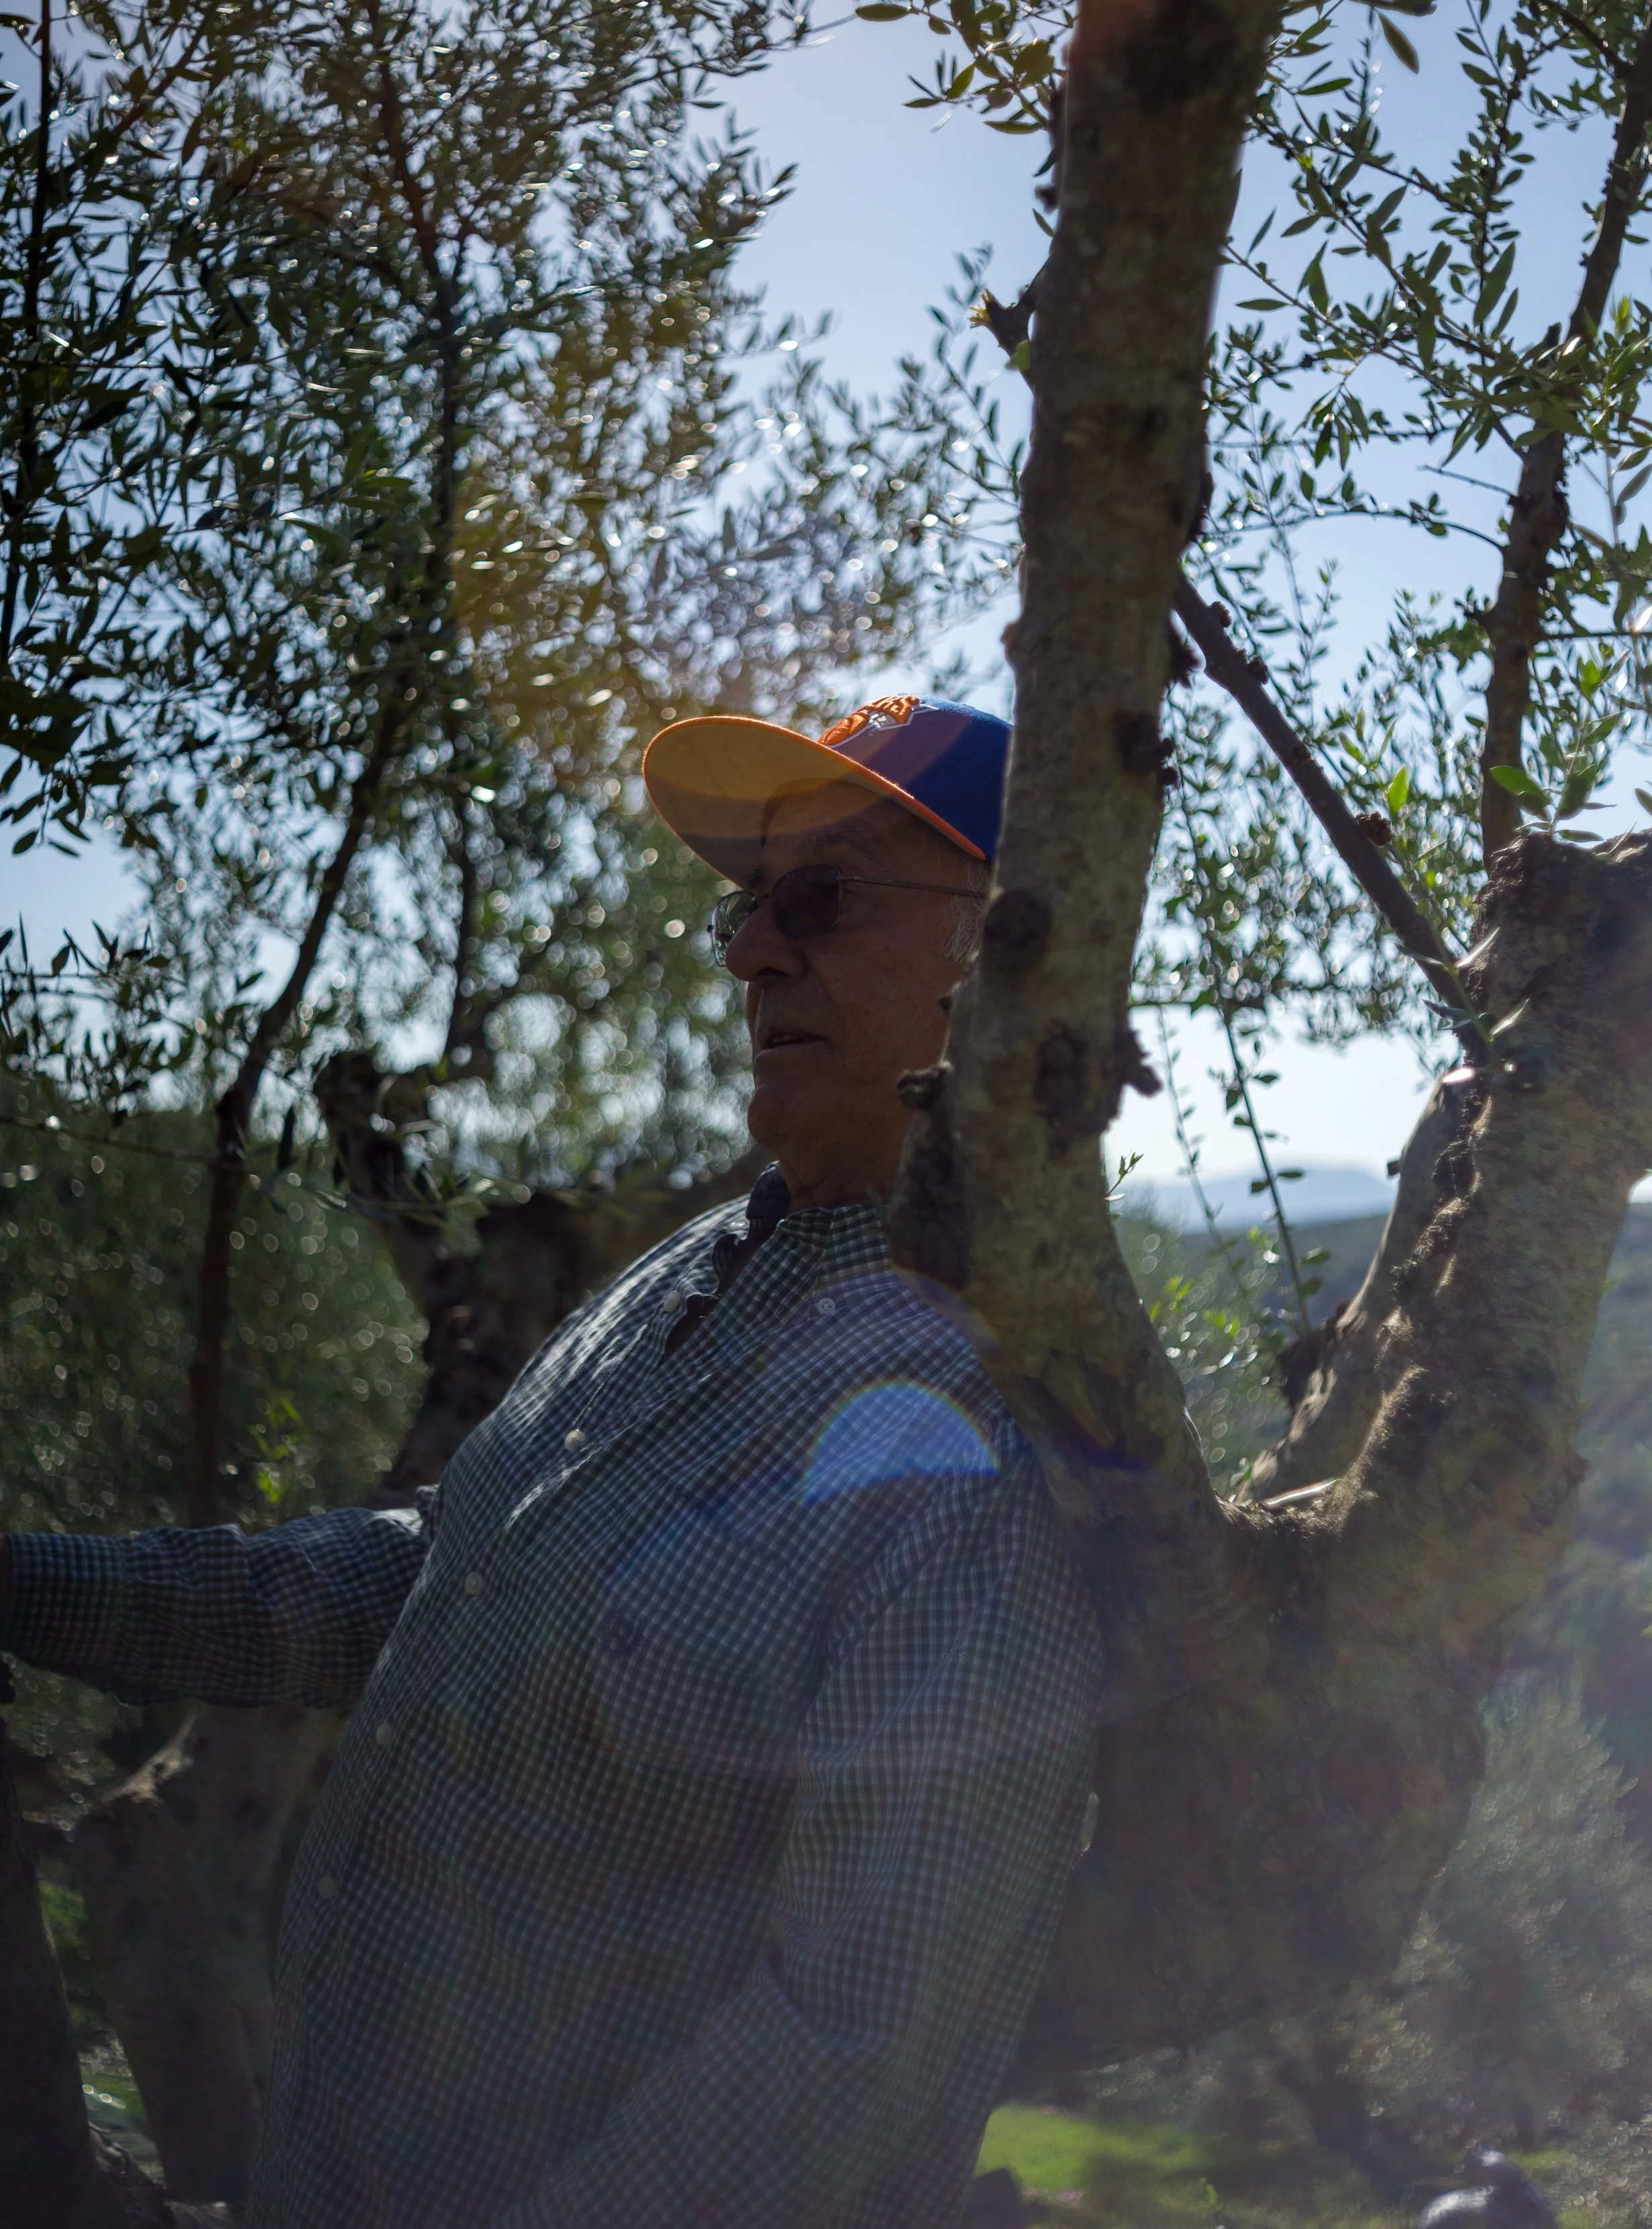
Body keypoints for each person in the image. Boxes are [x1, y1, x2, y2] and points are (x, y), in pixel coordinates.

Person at [0, 694, 1103, 2229]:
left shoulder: (993, 1413)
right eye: (746, 908)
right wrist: (31, 1593)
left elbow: (851, 2048)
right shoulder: (700, 1271)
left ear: (1012, 956)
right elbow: (430, 1578)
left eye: (820, 900)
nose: (749, 953)